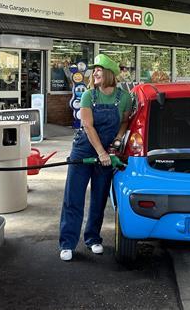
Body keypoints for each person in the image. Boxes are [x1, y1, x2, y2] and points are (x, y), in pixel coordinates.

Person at [59, 54, 132, 261]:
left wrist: (116, 142)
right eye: (95, 70)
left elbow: (124, 123)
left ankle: (93, 238)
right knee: (73, 198)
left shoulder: (124, 97)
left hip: (107, 152)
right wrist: (101, 152)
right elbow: (88, 126)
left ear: (109, 74)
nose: (95, 73)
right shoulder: (88, 96)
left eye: (99, 69)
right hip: (84, 150)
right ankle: (67, 243)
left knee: (99, 198)